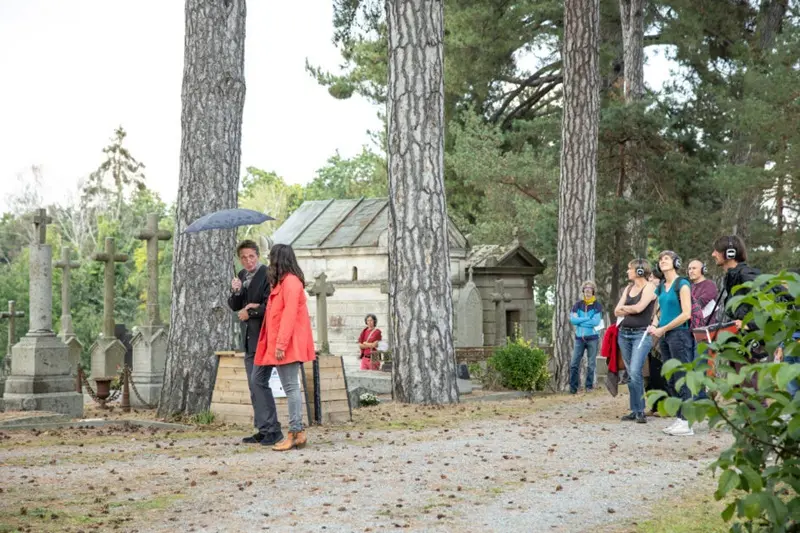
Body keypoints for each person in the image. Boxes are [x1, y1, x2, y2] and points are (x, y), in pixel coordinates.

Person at [255, 244, 316, 452]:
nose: (269, 261)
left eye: (271, 257)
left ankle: (296, 431)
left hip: (287, 344)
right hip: (279, 343)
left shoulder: (291, 282)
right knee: (275, 383)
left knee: (290, 387)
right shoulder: (282, 283)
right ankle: (295, 431)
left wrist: (280, 344)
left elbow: (289, 316)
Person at [227, 240, 283, 446]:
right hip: (249, 339)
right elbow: (235, 306)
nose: (248, 261)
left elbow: (270, 305)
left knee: (260, 383)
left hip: (264, 337)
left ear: (258, 255)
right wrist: (236, 291)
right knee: (254, 385)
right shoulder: (241, 276)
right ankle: (262, 428)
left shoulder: (268, 274)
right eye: (243, 257)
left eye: (251, 256)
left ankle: (273, 429)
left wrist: (251, 310)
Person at [648, 250, 695, 436]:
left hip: (679, 335)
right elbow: (659, 313)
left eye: (666, 258)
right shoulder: (660, 288)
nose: (662, 262)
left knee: (682, 376)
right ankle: (680, 418)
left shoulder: (682, 284)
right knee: (671, 377)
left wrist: (663, 328)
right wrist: (654, 326)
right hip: (665, 336)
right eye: (660, 259)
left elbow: (686, 314)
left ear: (676, 261)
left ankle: (687, 422)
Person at [614, 259, 658, 424]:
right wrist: (627, 309)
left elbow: (640, 308)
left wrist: (625, 309)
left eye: (629, 269)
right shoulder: (628, 288)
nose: (627, 272)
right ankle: (634, 409)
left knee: (634, 371)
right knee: (630, 375)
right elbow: (616, 310)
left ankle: (640, 411)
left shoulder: (650, 287)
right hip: (624, 334)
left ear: (640, 271)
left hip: (641, 334)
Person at [569, 281, 602, 394]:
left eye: (590, 288)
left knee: (591, 364)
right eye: (586, 288)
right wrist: (588, 319)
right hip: (579, 338)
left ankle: (589, 387)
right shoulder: (577, 305)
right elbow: (573, 320)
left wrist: (580, 321)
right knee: (574, 364)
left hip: (592, 338)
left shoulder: (597, 305)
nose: (588, 290)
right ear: (583, 290)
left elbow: (596, 322)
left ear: (593, 291)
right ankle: (573, 388)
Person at [687, 259, 718, 327]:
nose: (691, 271)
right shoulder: (690, 287)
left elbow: (700, 304)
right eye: (689, 269)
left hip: (706, 328)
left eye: (694, 268)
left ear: (703, 270)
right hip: (691, 328)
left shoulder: (709, 285)